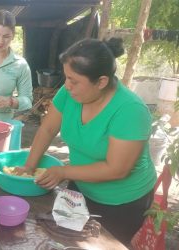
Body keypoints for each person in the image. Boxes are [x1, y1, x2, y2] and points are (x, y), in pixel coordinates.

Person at [19, 38, 156, 246]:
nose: (66, 85)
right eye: (66, 77)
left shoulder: (130, 111)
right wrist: (29, 166)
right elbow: (47, 129)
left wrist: (63, 172)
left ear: (101, 82)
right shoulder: (69, 93)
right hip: (81, 185)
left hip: (121, 201)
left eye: (74, 80)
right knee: (66, 239)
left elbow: (116, 169)